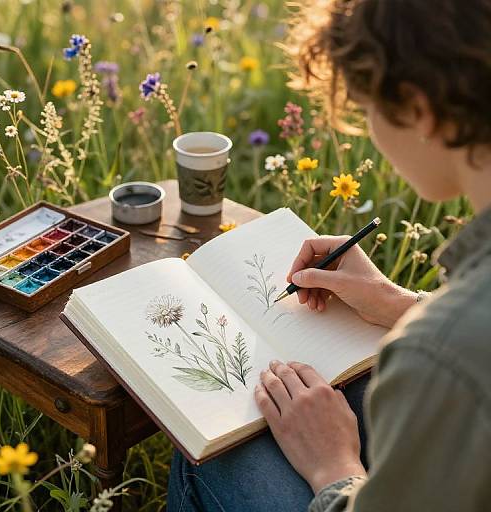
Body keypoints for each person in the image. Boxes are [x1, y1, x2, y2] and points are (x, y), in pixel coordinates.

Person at [168, 0, 491, 510]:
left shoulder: (439, 353)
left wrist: (335, 468)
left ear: (415, 107)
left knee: (212, 449)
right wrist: (401, 304)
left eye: (367, 110)